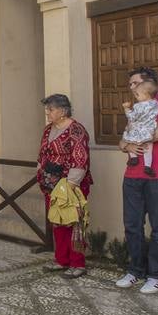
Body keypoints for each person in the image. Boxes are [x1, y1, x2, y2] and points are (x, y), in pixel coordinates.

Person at [114, 67, 158, 294]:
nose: (131, 88)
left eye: (135, 83)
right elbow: (122, 142)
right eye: (130, 84)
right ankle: (135, 271)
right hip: (132, 176)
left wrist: (135, 137)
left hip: (157, 176)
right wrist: (128, 144)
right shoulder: (137, 109)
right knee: (132, 225)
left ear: (148, 84)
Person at [37, 94, 93, 277]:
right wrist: (40, 172)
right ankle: (61, 260)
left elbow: (80, 158)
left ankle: (77, 263)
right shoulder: (48, 129)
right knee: (57, 221)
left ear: (63, 111)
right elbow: (43, 153)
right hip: (50, 184)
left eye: (50, 109)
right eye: (47, 109)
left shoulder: (76, 130)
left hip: (71, 183)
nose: (47, 113)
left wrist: (71, 185)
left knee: (73, 222)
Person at [122, 80, 158, 176]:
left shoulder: (138, 106)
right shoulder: (155, 104)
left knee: (129, 140)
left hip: (138, 130)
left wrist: (127, 109)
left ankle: (134, 157)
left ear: (146, 94)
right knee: (148, 148)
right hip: (149, 131)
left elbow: (132, 117)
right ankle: (148, 166)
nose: (136, 97)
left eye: (137, 95)